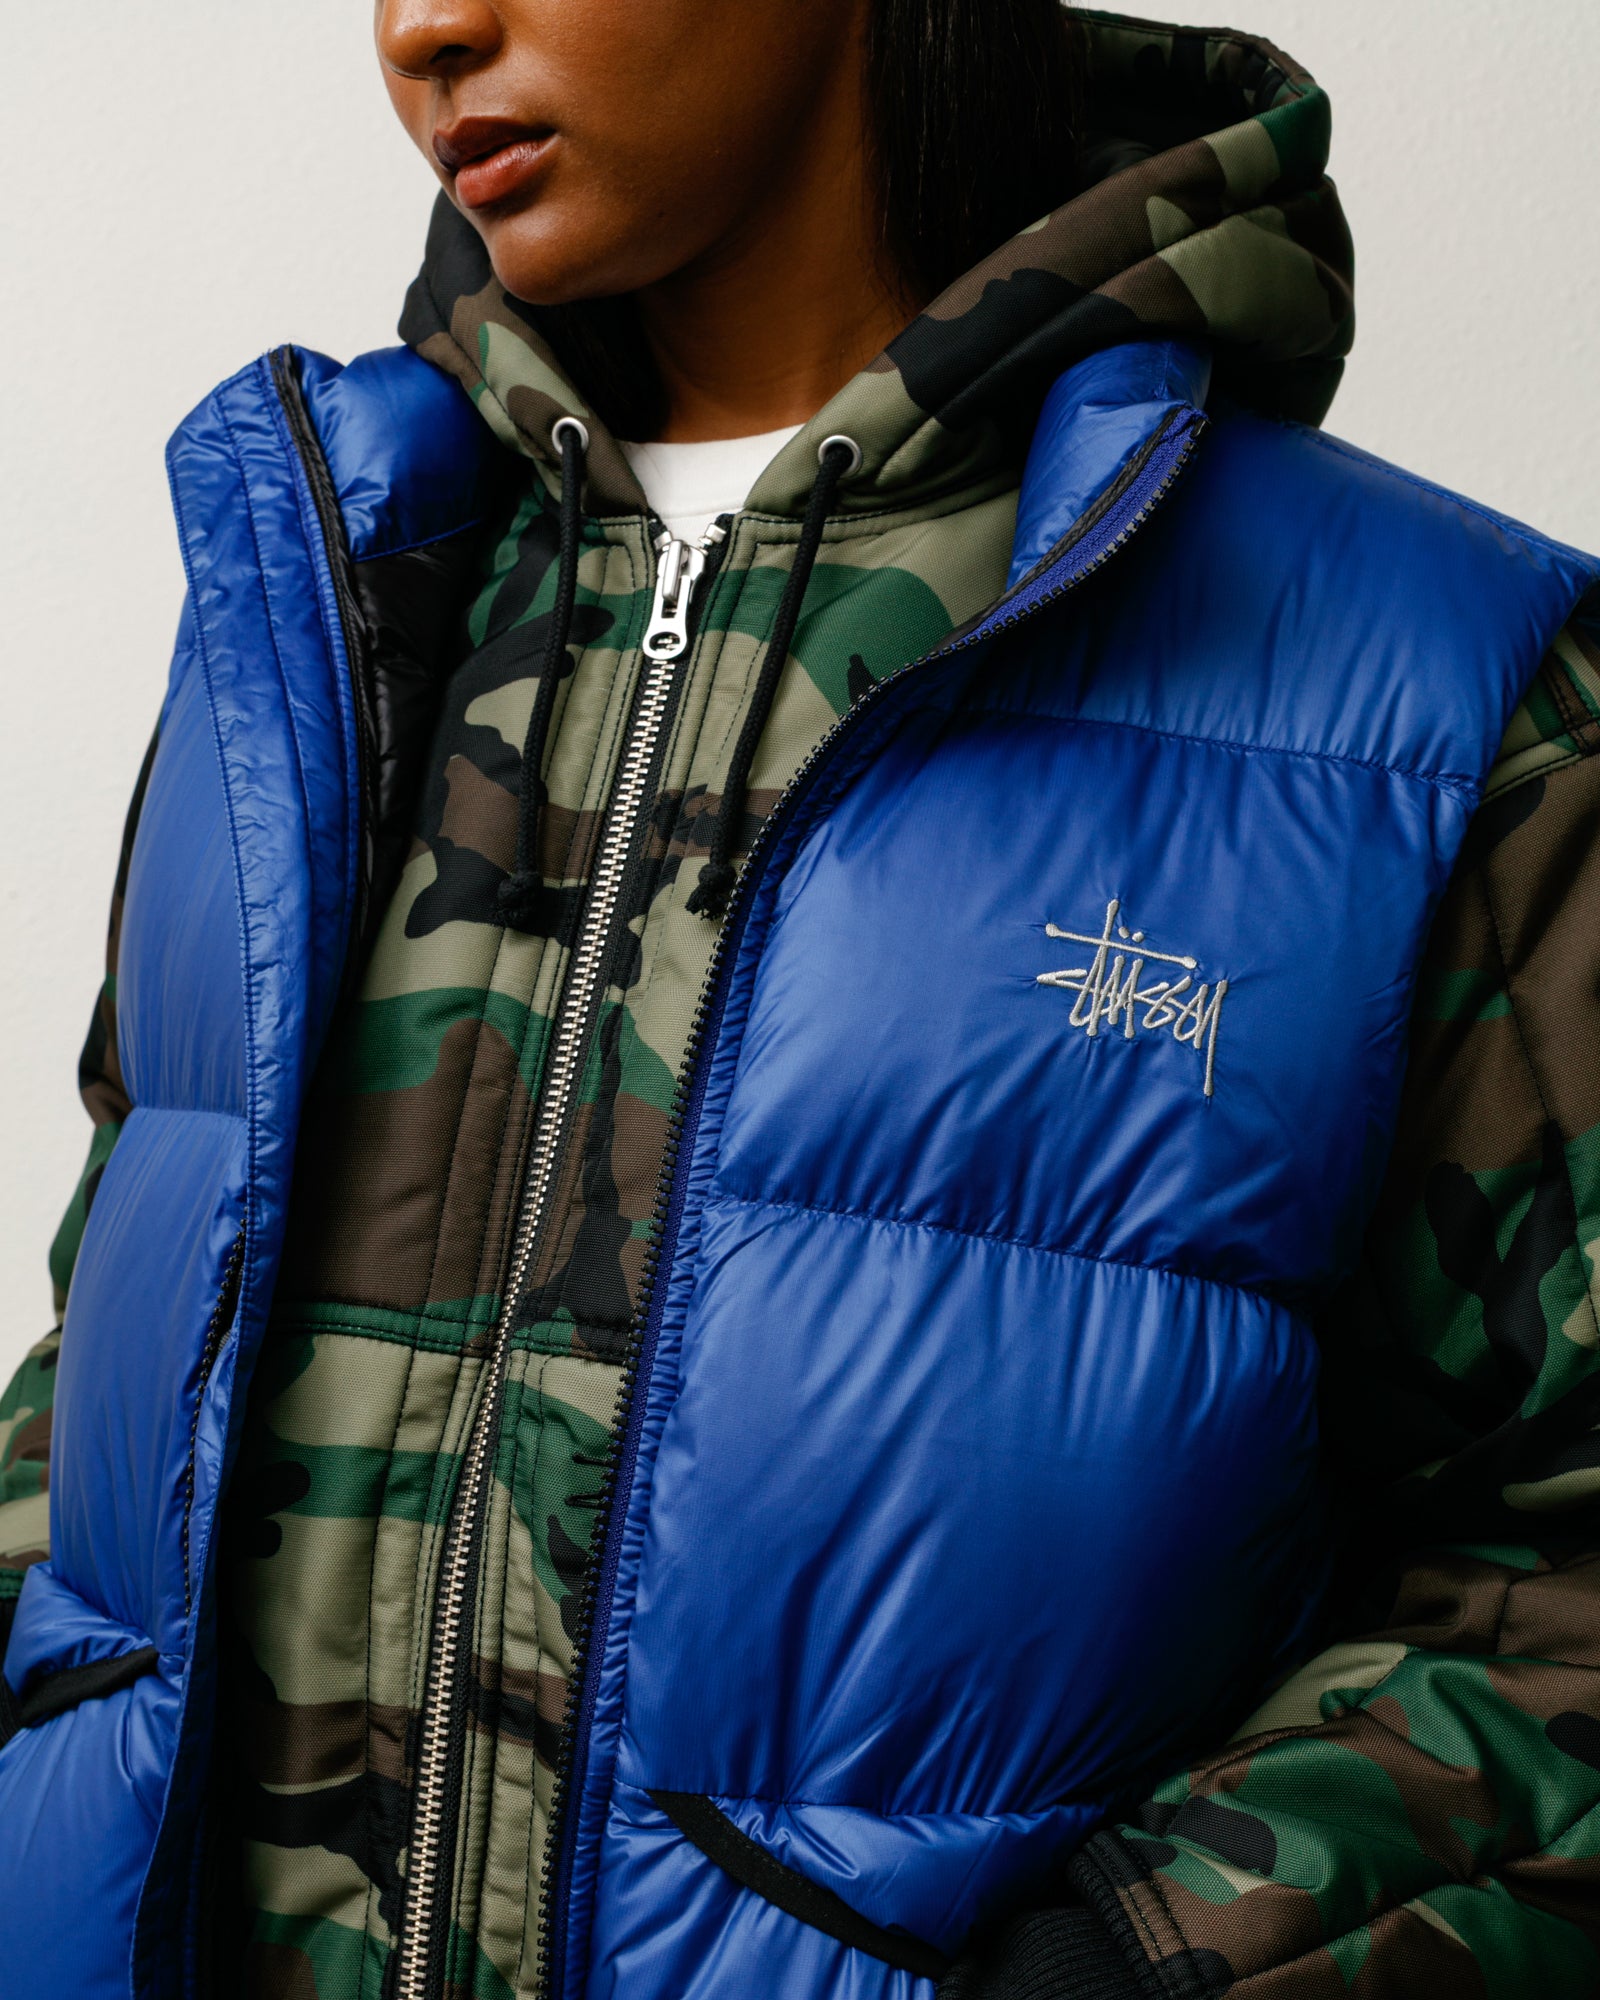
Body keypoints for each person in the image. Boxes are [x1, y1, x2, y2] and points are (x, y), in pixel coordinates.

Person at [2, 2, 1598, 1994]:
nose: (423, 29)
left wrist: (1136, 1966)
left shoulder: (1433, 705)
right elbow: (111, 1383)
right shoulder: (326, 602)